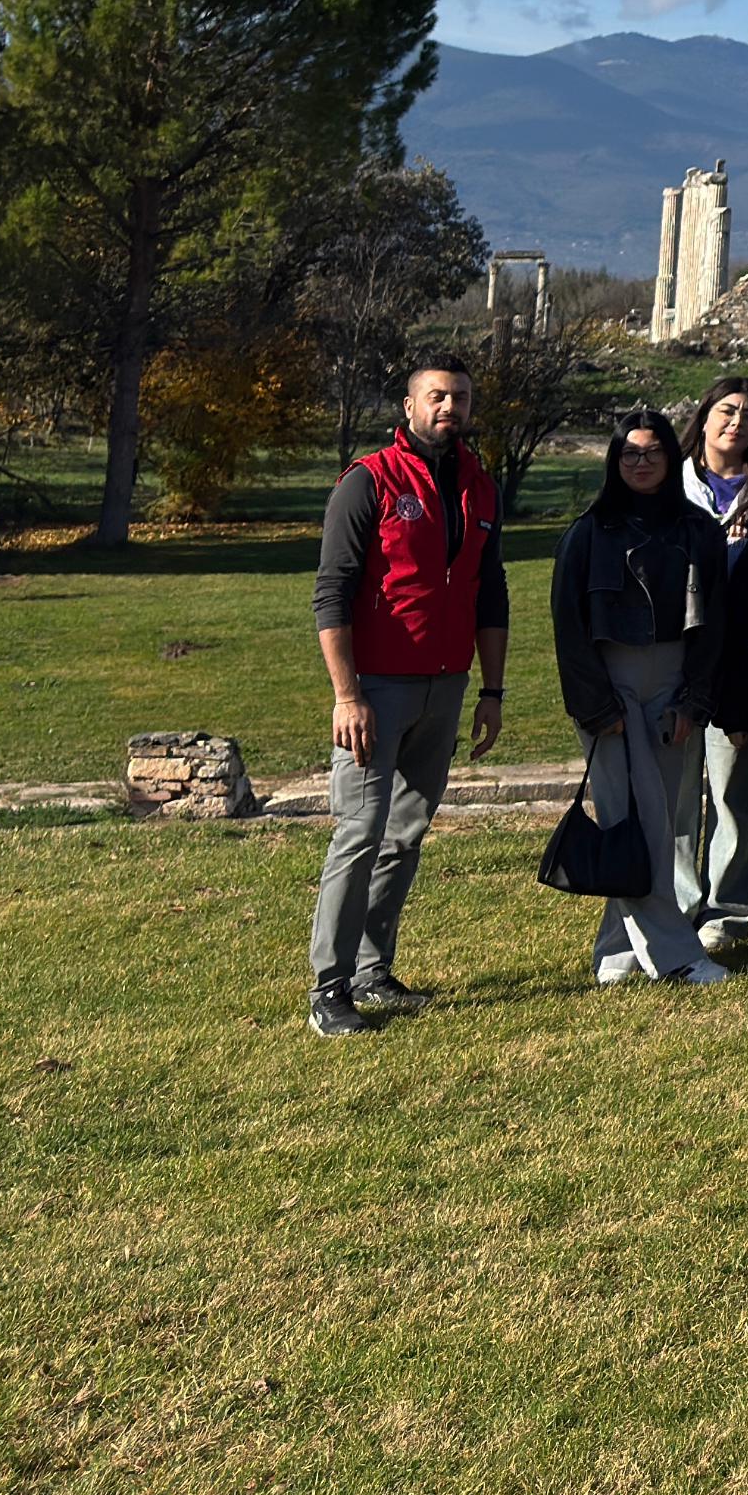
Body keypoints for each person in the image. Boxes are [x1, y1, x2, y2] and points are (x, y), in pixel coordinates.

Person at [305, 356, 509, 1036]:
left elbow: (491, 591)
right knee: (359, 833)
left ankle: (373, 969)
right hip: (376, 690)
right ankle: (329, 989)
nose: (448, 407)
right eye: (436, 396)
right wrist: (346, 694)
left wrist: (492, 689)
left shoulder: (480, 486)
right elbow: (331, 593)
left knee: (406, 834)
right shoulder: (369, 481)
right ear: (410, 404)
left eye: (459, 398)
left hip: (446, 687)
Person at [552, 409, 734, 988]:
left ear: (670, 458)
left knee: (652, 822)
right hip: (610, 693)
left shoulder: (699, 531)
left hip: (674, 687)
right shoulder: (587, 532)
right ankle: (677, 955)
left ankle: (615, 951)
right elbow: (568, 626)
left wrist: (694, 701)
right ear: (614, 460)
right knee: (641, 822)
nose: (641, 462)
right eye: (629, 453)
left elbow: (715, 626)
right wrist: (595, 706)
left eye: (652, 452)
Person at [671, 376, 748, 953]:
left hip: (740, 659)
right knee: (676, 790)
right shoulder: (670, 479)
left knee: (734, 791)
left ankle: (728, 909)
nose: (736, 422)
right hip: (675, 658)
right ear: (705, 415)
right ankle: (679, 901)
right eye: (726, 410)